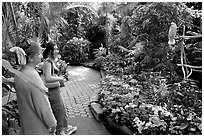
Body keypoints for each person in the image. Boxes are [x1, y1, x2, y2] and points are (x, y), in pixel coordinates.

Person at [14, 38, 57, 135]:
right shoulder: (32, 75)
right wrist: (52, 123)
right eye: (39, 54)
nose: (41, 56)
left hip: (27, 126)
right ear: (31, 58)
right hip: (39, 128)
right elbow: (42, 104)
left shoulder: (18, 74)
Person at [43, 41, 77, 135]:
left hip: (55, 89)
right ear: (50, 51)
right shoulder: (48, 62)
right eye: (55, 49)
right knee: (58, 110)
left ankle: (64, 128)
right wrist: (60, 78)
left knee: (61, 109)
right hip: (52, 91)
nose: (57, 51)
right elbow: (48, 78)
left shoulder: (51, 61)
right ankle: (60, 131)